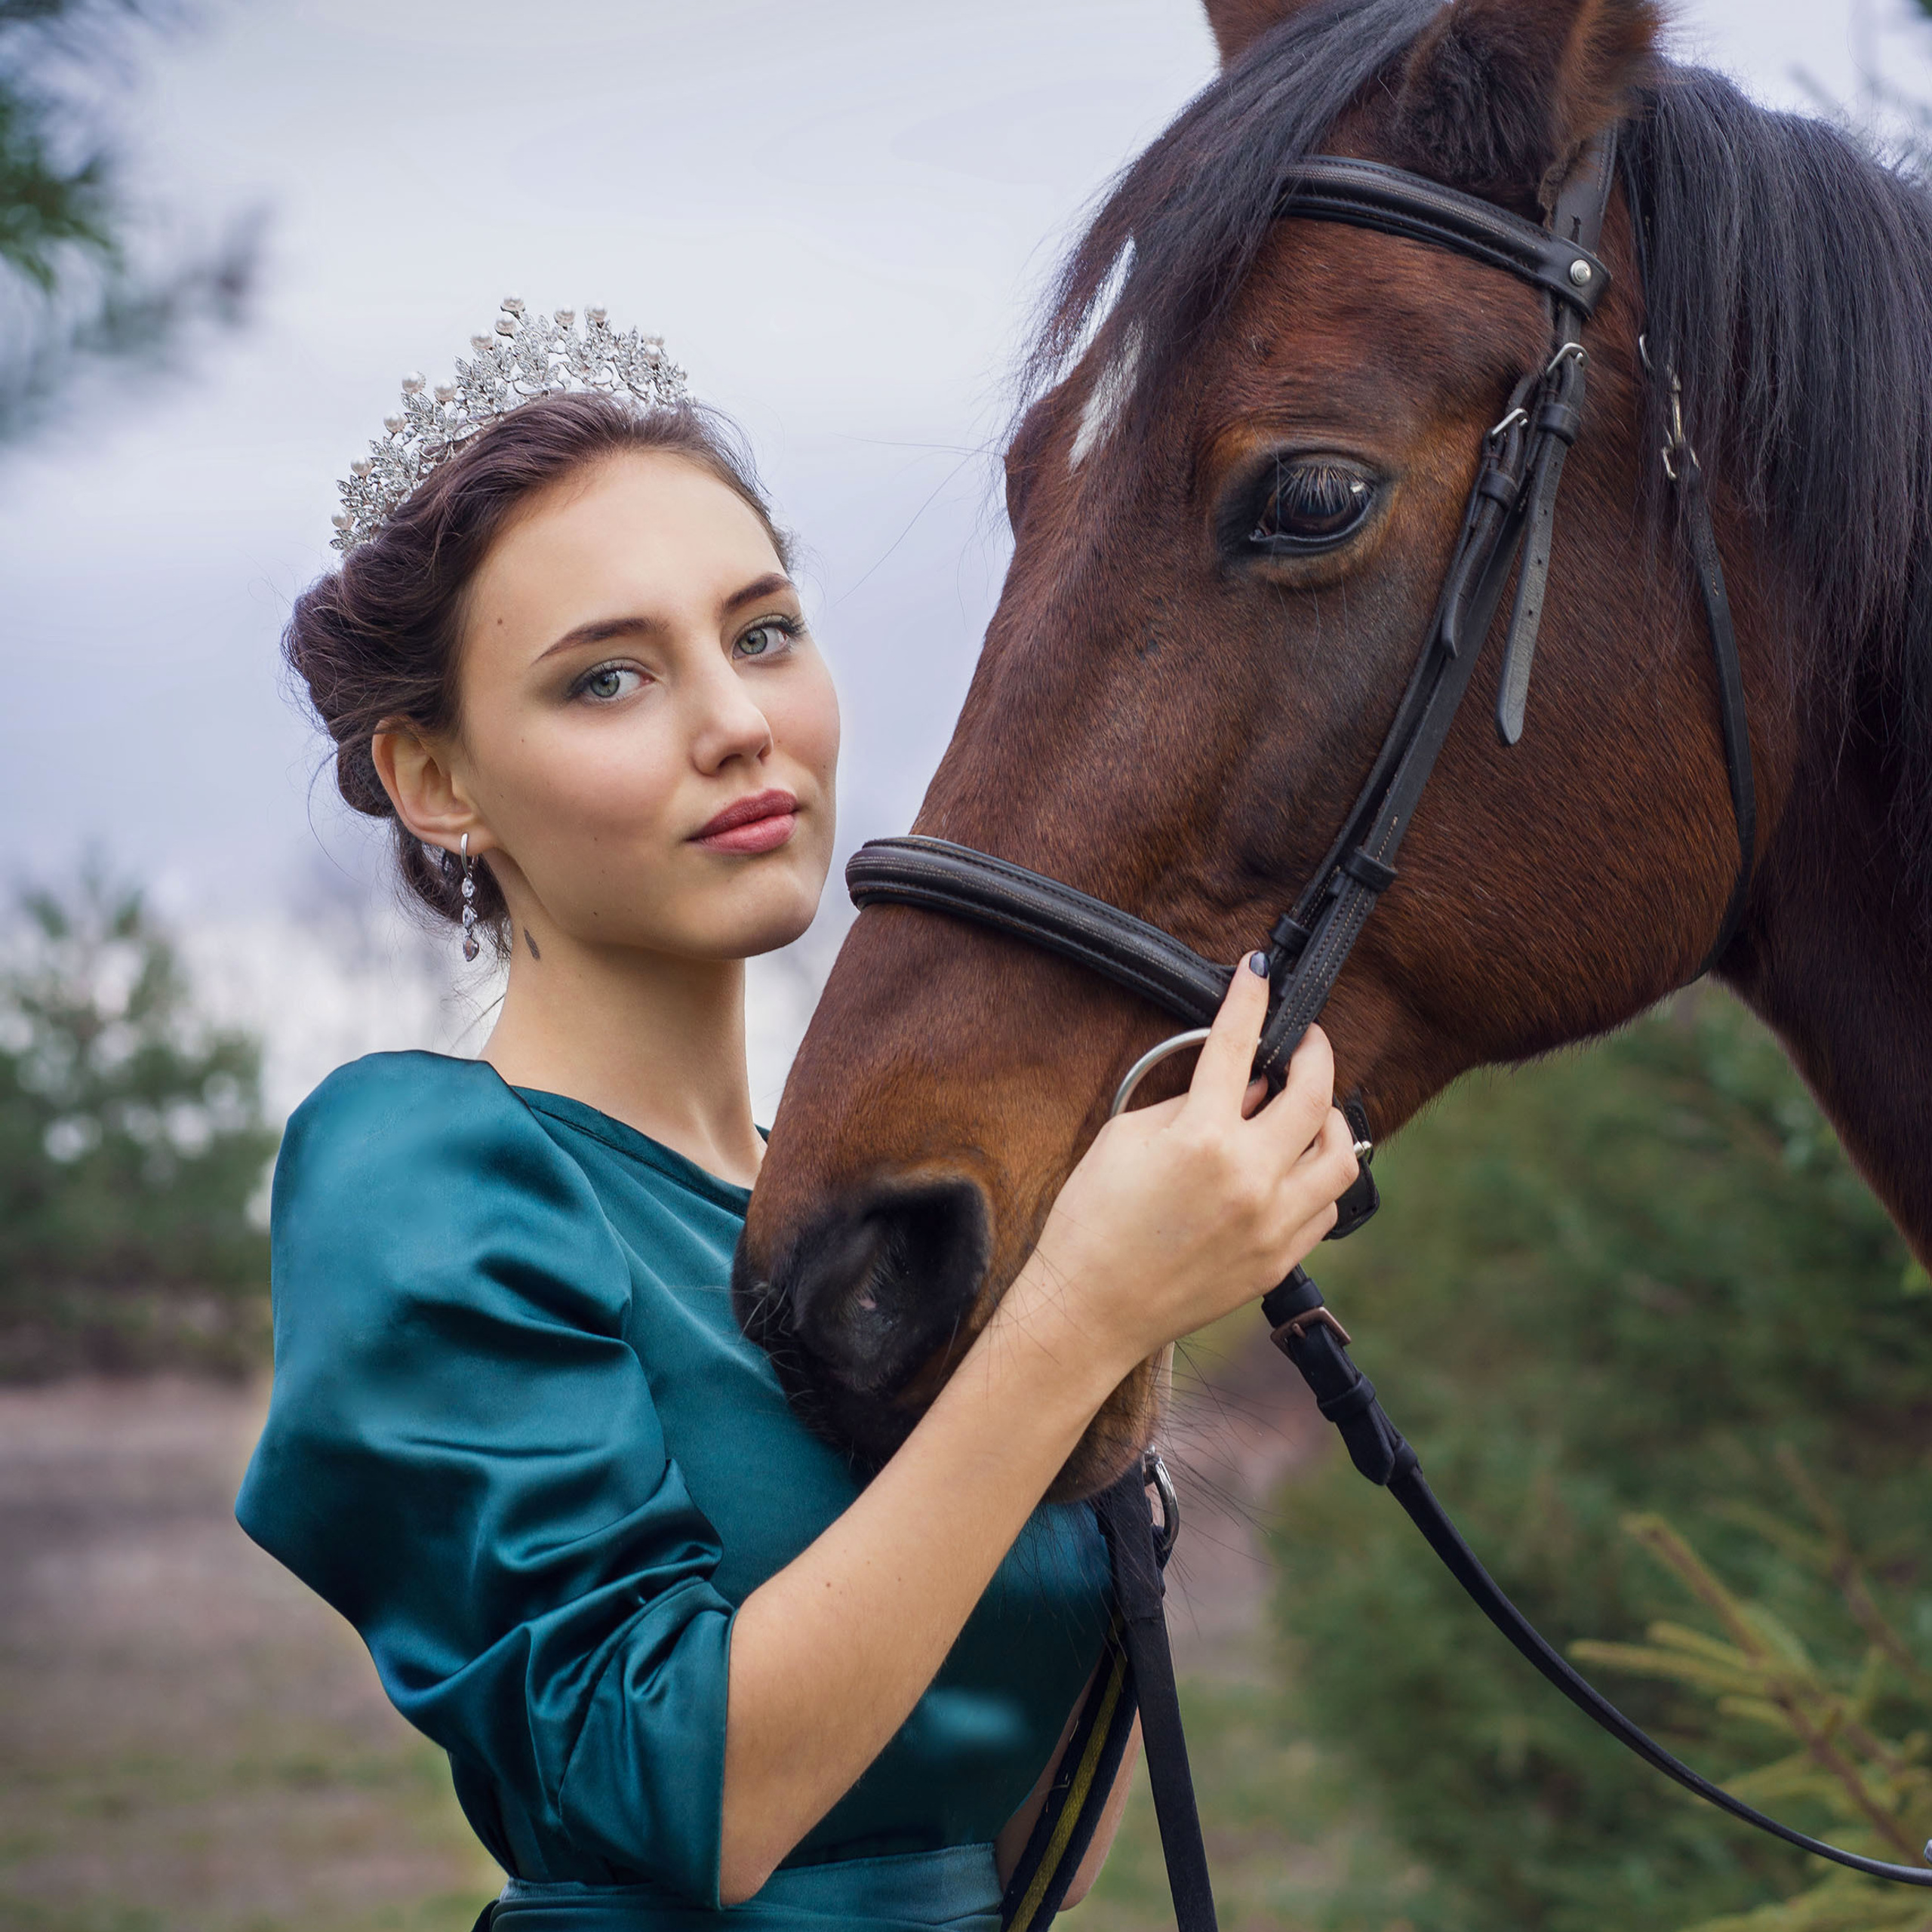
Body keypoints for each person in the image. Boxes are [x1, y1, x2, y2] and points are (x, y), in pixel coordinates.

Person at [236, 303, 1360, 1932]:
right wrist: (1077, 1311)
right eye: (607, 677)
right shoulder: (423, 1172)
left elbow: (1001, 1824)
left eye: (760, 632)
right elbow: (678, 1793)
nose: (734, 721)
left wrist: (1141, 1286)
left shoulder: (861, 1229)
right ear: (434, 780)